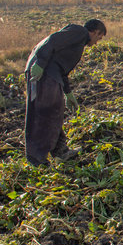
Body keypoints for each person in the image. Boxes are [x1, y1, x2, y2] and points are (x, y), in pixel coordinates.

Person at [24, 19, 106, 166]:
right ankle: (37, 158)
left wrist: (68, 94)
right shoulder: (79, 32)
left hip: (49, 74)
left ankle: (60, 151)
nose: (96, 42)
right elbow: (52, 41)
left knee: (53, 112)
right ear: (95, 32)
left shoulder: (77, 42)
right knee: (45, 113)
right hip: (44, 74)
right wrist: (40, 63)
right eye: (99, 38)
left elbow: (63, 70)